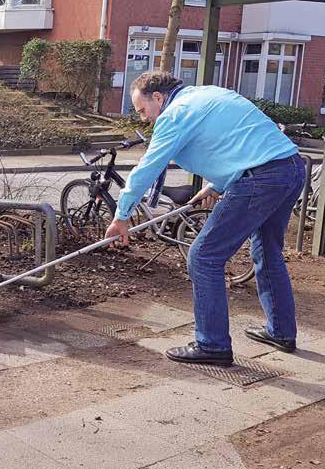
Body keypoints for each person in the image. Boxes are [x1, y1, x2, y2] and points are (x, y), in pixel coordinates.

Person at [107, 71, 305, 366]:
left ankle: (212, 345)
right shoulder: (209, 94)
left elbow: (149, 165)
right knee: (267, 250)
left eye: (143, 110)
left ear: (158, 98)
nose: (144, 119)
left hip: (261, 179)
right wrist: (216, 185)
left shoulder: (176, 114)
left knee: (203, 257)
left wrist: (121, 216)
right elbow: (237, 141)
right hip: (290, 168)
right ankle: (281, 332)